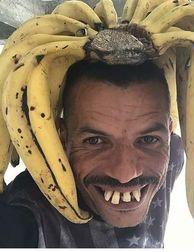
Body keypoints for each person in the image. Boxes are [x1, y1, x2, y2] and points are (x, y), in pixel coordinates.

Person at [0, 60, 184, 248]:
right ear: (61, 139)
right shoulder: (21, 218)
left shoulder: (174, 156)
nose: (125, 174)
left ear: (168, 133)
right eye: (95, 141)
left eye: (147, 139)